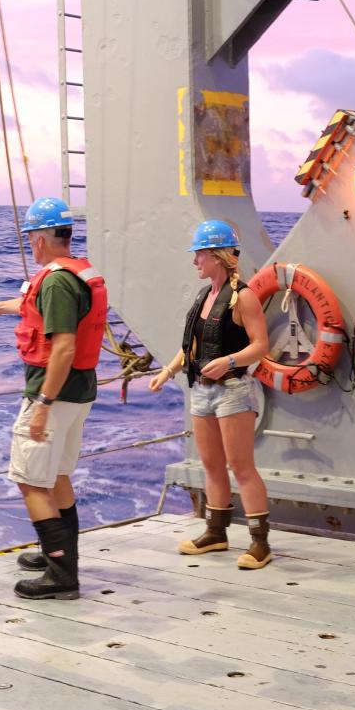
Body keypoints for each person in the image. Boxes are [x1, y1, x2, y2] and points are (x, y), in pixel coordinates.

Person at [0, 196, 108, 599]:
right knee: (58, 475)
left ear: (40, 239)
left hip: (54, 396)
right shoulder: (71, 275)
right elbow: (40, 309)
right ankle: (60, 556)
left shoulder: (56, 281)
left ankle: (62, 575)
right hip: (79, 394)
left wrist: (43, 405)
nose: (31, 244)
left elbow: (63, 347)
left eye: (31, 236)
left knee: (30, 482)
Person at [149, 220, 273, 569]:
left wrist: (229, 361)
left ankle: (260, 543)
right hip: (201, 393)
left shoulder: (243, 297)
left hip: (233, 391)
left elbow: (261, 346)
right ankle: (216, 532)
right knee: (211, 464)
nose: (195, 262)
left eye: (199, 254)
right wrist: (168, 371)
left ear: (217, 256)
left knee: (241, 467)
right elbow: (190, 346)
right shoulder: (205, 296)